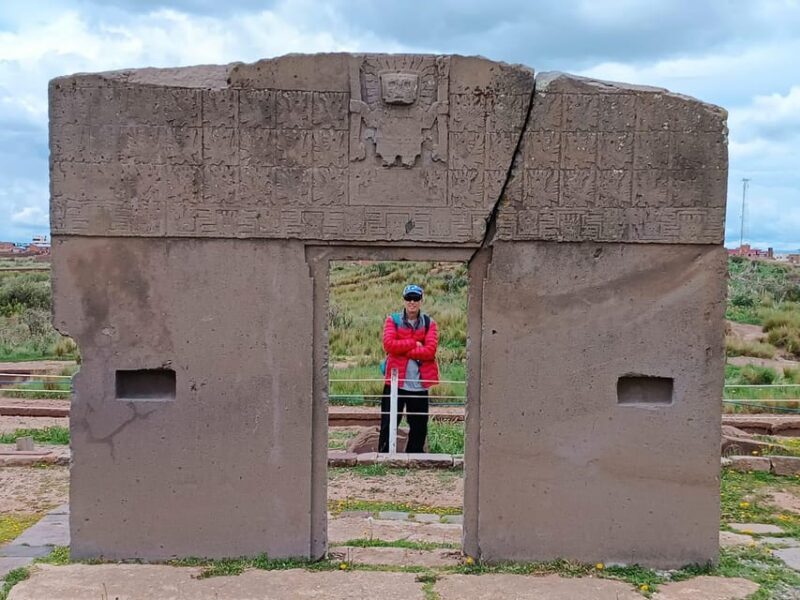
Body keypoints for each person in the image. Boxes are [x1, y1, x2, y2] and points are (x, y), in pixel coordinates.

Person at [378, 283, 439, 453]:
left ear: (421, 300)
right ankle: (383, 457)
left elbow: (430, 351)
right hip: (395, 383)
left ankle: (415, 458)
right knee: (388, 422)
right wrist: (414, 343)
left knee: (419, 425)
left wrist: (403, 349)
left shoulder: (429, 323)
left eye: (415, 298)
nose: (412, 302)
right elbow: (389, 345)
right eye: (408, 298)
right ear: (404, 300)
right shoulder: (393, 320)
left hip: (419, 384)